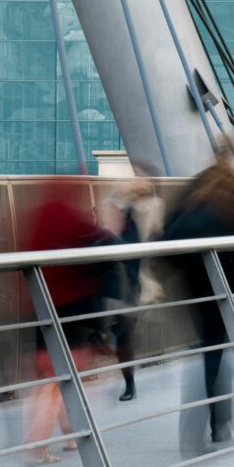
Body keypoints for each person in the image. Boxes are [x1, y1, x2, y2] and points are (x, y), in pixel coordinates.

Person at [162, 146, 234, 457]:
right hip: (228, 287)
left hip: (197, 284)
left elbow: (169, 233)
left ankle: (205, 426)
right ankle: (219, 423)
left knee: (209, 350)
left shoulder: (197, 187)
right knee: (219, 353)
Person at [23, 181, 119, 465]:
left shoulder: (43, 217)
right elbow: (107, 244)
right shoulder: (68, 217)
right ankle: (38, 448)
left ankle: (71, 434)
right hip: (69, 308)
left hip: (40, 306)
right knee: (62, 378)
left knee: (55, 376)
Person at [96, 171, 166, 402]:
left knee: (124, 334)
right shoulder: (116, 208)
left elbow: (137, 248)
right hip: (115, 282)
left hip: (129, 284)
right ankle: (124, 376)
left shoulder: (148, 209)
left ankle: (129, 383)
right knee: (119, 333)